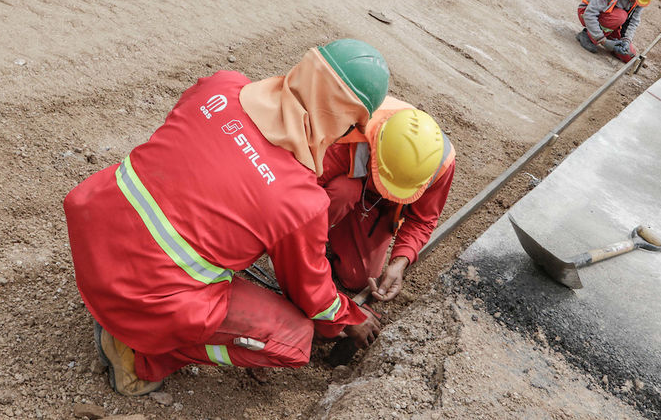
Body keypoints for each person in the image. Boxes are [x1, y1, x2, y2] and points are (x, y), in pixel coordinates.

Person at [63, 39, 390, 396]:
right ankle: (138, 357)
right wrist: (349, 317)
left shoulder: (222, 85)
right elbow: (311, 293)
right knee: (294, 342)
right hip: (140, 295)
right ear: (345, 123)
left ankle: (124, 313)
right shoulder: (299, 201)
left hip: (92, 236)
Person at [319, 97, 455, 303]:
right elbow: (308, 181)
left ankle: (340, 233)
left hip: (378, 206)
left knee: (357, 278)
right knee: (343, 191)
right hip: (346, 185)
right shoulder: (355, 128)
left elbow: (422, 220)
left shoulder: (439, 164)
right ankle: (313, 233)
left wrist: (400, 261)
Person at [576, 0, 659, 63]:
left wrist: (626, 40)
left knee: (629, 55)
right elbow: (590, 14)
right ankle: (588, 36)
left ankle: (608, 37)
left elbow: (633, 21)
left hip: (612, 23)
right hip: (586, 13)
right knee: (620, 16)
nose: (636, 2)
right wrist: (603, 41)